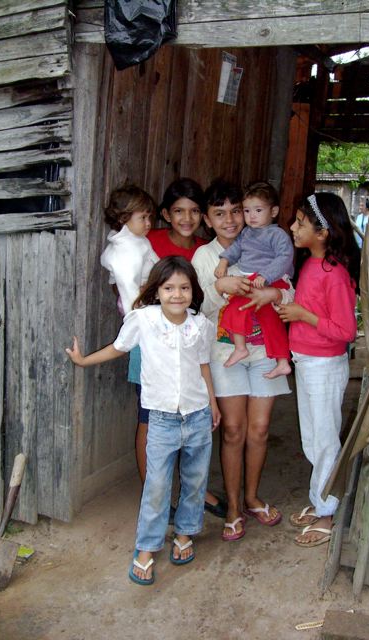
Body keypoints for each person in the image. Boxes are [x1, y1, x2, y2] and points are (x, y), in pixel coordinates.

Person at [66, 256, 221, 585]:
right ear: (157, 290)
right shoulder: (142, 320)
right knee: (157, 485)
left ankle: (184, 534)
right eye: (168, 288)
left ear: (193, 291)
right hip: (162, 420)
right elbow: (118, 348)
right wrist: (83, 361)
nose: (176, 294)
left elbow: (203, 365)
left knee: (195, 482)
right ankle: (147, 547)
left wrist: (213, 403)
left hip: (197, 416)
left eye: (184, 287)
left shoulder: (201, 325)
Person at [192, 179, 293, 542]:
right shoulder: (204, 257)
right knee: (233, 430)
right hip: (225, 353)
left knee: (260, 429)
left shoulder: (266, 241)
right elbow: (196, 307)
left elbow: (289, 289)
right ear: (208, 219)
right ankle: (233, 506)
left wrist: (274, 293)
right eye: (220, 214)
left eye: (237, 211)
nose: (232, 220)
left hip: (265, 350)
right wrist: (220, 289)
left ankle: (252, 497)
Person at [131, 177, 225, 518]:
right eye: (179, 211)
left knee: (190, 415)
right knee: (150, 418)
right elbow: (126, 279)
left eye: (195, 211)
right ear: (165, 214)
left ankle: (191, 490)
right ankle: (152, 495)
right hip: (152, 345)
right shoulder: (149, 241)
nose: (188, 218)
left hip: (189, 346)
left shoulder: (204, 249)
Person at [277, 192, 360, 548]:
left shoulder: (335, 273)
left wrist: (303, 315)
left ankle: (328, 512)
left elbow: (346, 332)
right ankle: (320, 499)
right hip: (307, 362)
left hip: (325, 365)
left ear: (323, 232)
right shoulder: (311, 264)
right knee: (312, 438)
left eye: (300, 222)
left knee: (325, 440)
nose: (293, 228)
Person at [214, 181, 294, 379]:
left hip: (272, 280)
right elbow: (235, 250)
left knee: (259, 317)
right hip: (250, 280)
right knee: (238, 310)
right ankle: (244, 349)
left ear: (273, 211)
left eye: (258, 210)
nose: (252, 216)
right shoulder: (247, 233)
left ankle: (281, 359)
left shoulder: (277, 234)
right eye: (247, 211)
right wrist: (223, 261)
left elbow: (285, 257)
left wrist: (265, 276)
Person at [100, 184, 159, 317]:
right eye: (143, 218)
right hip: (137, 303)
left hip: (148, 297)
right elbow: (128, 287)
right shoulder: (125, 251)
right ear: (123, 218)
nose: (148, 223)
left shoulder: (138, 239)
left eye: (149, 217)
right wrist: (136, 318)